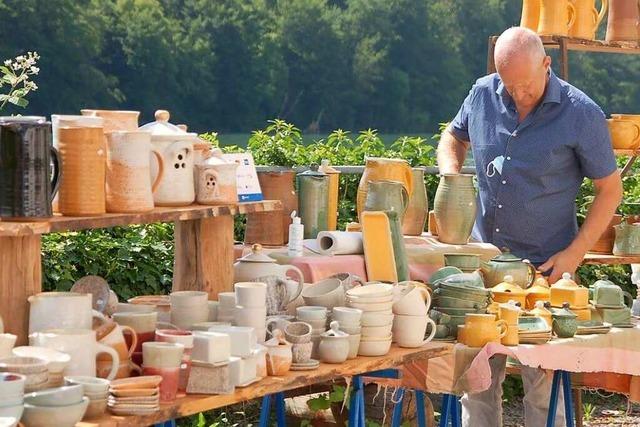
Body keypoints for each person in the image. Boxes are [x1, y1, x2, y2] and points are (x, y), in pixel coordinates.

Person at [436, 27, 623, 426]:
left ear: (547, 64)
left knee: (544, 391)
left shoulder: (581, 113)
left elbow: (611, 190)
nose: (518, 95)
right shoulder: (483, 93)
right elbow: (451, 138)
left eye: (527, 86)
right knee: (478, 384)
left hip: (547, 273)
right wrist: (450, 176)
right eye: (510, 85)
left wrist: (575, 254)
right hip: (483, 268)